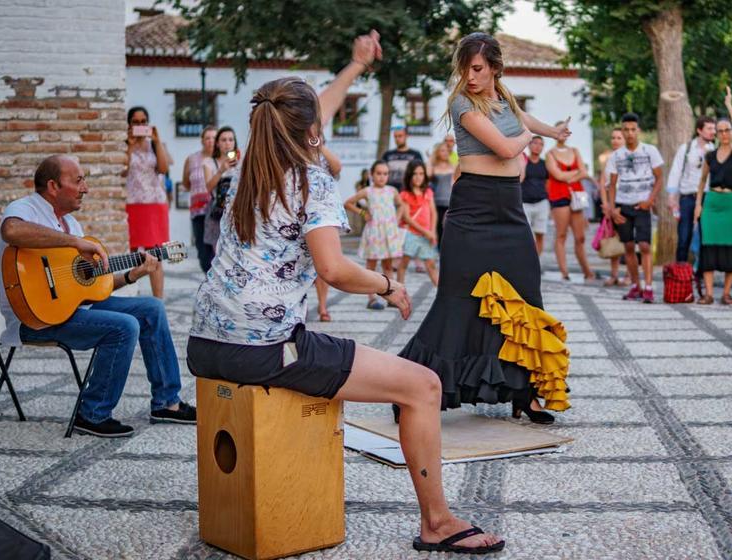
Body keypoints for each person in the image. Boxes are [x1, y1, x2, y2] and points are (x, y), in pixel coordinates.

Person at [188, 38, 505, 554]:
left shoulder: (246, 168)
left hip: (205, 343)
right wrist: (388, 284)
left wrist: (356, 65)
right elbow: (333, 269)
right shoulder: (310, 180)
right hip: (265, 347)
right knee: (423, 386)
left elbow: (310, 112)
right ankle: (438, 523)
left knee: (382, 371)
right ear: (312, 131)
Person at [398, 32, 572, 427]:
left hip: (509, 208)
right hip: (472, 208)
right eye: (465, 70)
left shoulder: (504, 97)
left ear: (494, 68)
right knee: (457, 299)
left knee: (525, 295)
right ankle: (413, 387)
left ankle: (524, 394)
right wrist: (532, 137)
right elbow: (507, 148)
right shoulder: (461, 102)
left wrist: (554, 132)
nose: (471, 77)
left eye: (477, 69)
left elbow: (523, 118)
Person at [0, 155, 196, 437]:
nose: (85, 188)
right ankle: (92, 414)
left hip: (71, 311)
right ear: (53, 186)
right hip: (34, 319)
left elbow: (89, 289)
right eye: (78, 180)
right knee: (124, 326)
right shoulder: (24, 209)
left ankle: (167, 403)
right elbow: (11, 230)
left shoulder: (70, 224)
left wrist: (132, 275)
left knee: (151, 308)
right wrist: (76, 243)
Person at [693, 88, 732, 305]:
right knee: (708, 247)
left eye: (727, 130)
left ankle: (726, 293)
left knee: (731, 246)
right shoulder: (710, 155)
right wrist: (698, 204)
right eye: (720, 131)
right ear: (716, 134)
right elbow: (701, 181)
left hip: (731, 203)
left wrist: (729, 104)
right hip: (712, 203)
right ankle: (708, 294)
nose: (724, 134)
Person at [606, 113, 665, 303]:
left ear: (638, 130)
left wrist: (650, 200)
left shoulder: (650, 151)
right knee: (629, 246)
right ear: (622, 131)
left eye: (633, 129)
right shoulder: (616, 156)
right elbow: (611, 185)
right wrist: (613, 209)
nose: (630, 133)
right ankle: (635, 286)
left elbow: (659, 178)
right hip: (623, 206)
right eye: (626, 130)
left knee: (645, 246)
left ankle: (648, 287)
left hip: (642, 205)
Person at [122, 106, 172, 299]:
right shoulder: (124, 145)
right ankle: (132, 296)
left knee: (156, 254)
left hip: (155, 203)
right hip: (133, 204)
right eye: (136, 122)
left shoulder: (155, 145)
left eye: (143, 121)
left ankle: (158, 302)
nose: (140, 125)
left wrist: (157, 142)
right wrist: (129, 146)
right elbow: (123, 171)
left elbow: (163, 169)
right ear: (129, 124)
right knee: (133, 254)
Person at [344, 161, 405, 310]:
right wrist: (363, 213)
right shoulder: (367, 191)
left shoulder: (392, 191)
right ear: (372, 174)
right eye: (378, 173)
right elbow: (348, 203)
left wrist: (396, 219)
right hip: (374, 232)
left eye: (385, 174)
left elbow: (401, 205)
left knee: (388, 265)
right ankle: (371, 298)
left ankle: (391, 296)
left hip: (388, 232)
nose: (382, 177)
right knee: (371, 266)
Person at [545, 126, 595, 282]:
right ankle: (564, 271)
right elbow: (558, 175)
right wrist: (576, 173)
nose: (562, 134)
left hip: (577, 195)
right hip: (559, 195)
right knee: (561, 234)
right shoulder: (550, 154)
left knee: (580, 237)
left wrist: (569, 176)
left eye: (565, 131)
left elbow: (584, 172)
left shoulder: (575, 151)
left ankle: (587, 271)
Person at [667, 116, 716, 264]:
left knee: (706, 237)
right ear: (699, 130)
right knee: (684, 236)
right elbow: (676, 171)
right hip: (688, 197)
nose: (713, 131)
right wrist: (672, 197)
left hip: (707, 197)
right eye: (709, 128)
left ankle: (702, 272)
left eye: (714, 128)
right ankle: (680, 272)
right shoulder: (686, 148)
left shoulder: (715, 150)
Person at [398, 160, 439, 287]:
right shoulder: (405, 194)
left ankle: (442, 294)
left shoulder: (428, 192)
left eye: (421, 174)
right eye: (415, 174)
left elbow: (433, 213)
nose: (418, 177)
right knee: (403, 264)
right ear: (409, 175)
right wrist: (426, 232)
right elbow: (407, 218)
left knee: (431, 265)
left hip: (426, 235)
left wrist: (432, 232)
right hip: (411, 234)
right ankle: (400, 292)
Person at [182, 126, 217, 273]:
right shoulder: (191, 159)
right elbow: (185, 183)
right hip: (199, 211)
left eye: (214, 138)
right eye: (207, 138)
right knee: (203, 253)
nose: (210, 141)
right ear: (202, 140)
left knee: (217, 250)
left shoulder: (222, 159)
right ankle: (209, 277)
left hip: (217, 210)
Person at [315, 139, 343, 323]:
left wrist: (318, 145)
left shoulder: (324, 155)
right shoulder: (293, 151)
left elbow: (337, 167)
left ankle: (323, 306)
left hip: (322, 216)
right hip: (297, 215)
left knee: (324, 266)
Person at [202, 126, 241, 249]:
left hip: (238, 210)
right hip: (218, 210)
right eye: (223, 140)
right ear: (217, 143)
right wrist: (221, 170)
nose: (227, 143)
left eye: (231, 139)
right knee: (218, 248)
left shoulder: (241, 161)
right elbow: (208, 187)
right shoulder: (209, 162)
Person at [598, 127, 627, 286]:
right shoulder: (608, 158)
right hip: (610, 202)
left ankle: (629, 275)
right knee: (612, 238)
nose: (615, 140)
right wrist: (605, 204)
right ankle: (614, 274)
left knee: (628, 240)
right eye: (613, 137)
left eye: (618, 138)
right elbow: (603, 183)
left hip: (625, 202)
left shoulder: (628, 157)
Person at [521, 135, 550, 254]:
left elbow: (548, 182)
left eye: (541, 144)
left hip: (541, 202)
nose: (538, 146)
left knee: (540, 234)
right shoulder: (523, 162)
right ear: (529, 145)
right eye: (535, 143)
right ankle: (526, 259)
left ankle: (537, 261)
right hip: (525, 203)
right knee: (525, 235)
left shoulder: (545, 164)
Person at [429, 141, 455, 244]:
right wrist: (431, 158)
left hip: (450, 204)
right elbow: (427, 175)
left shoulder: (453, 167)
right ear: (437, 152)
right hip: (436, 204)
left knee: (449, 232)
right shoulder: (433, 167)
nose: (445, 153)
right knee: (438, 231)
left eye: (447, 150)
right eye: (442, 150)